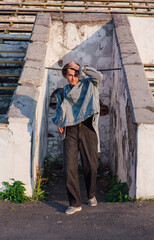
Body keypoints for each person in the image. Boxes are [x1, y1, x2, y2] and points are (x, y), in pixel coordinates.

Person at [52, 62, 103, 215]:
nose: (73, 77)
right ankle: (75, 203)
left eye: (75, 74)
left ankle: (91, 195)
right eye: (70, 74)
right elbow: (58, 111)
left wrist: (82, 68)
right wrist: (58, 122)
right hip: (70, 130)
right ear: (65, 75)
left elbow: (99, 75)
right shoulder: (62, 93)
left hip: (88, 128)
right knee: (69, 167)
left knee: (91, 166)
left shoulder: (90, 84)